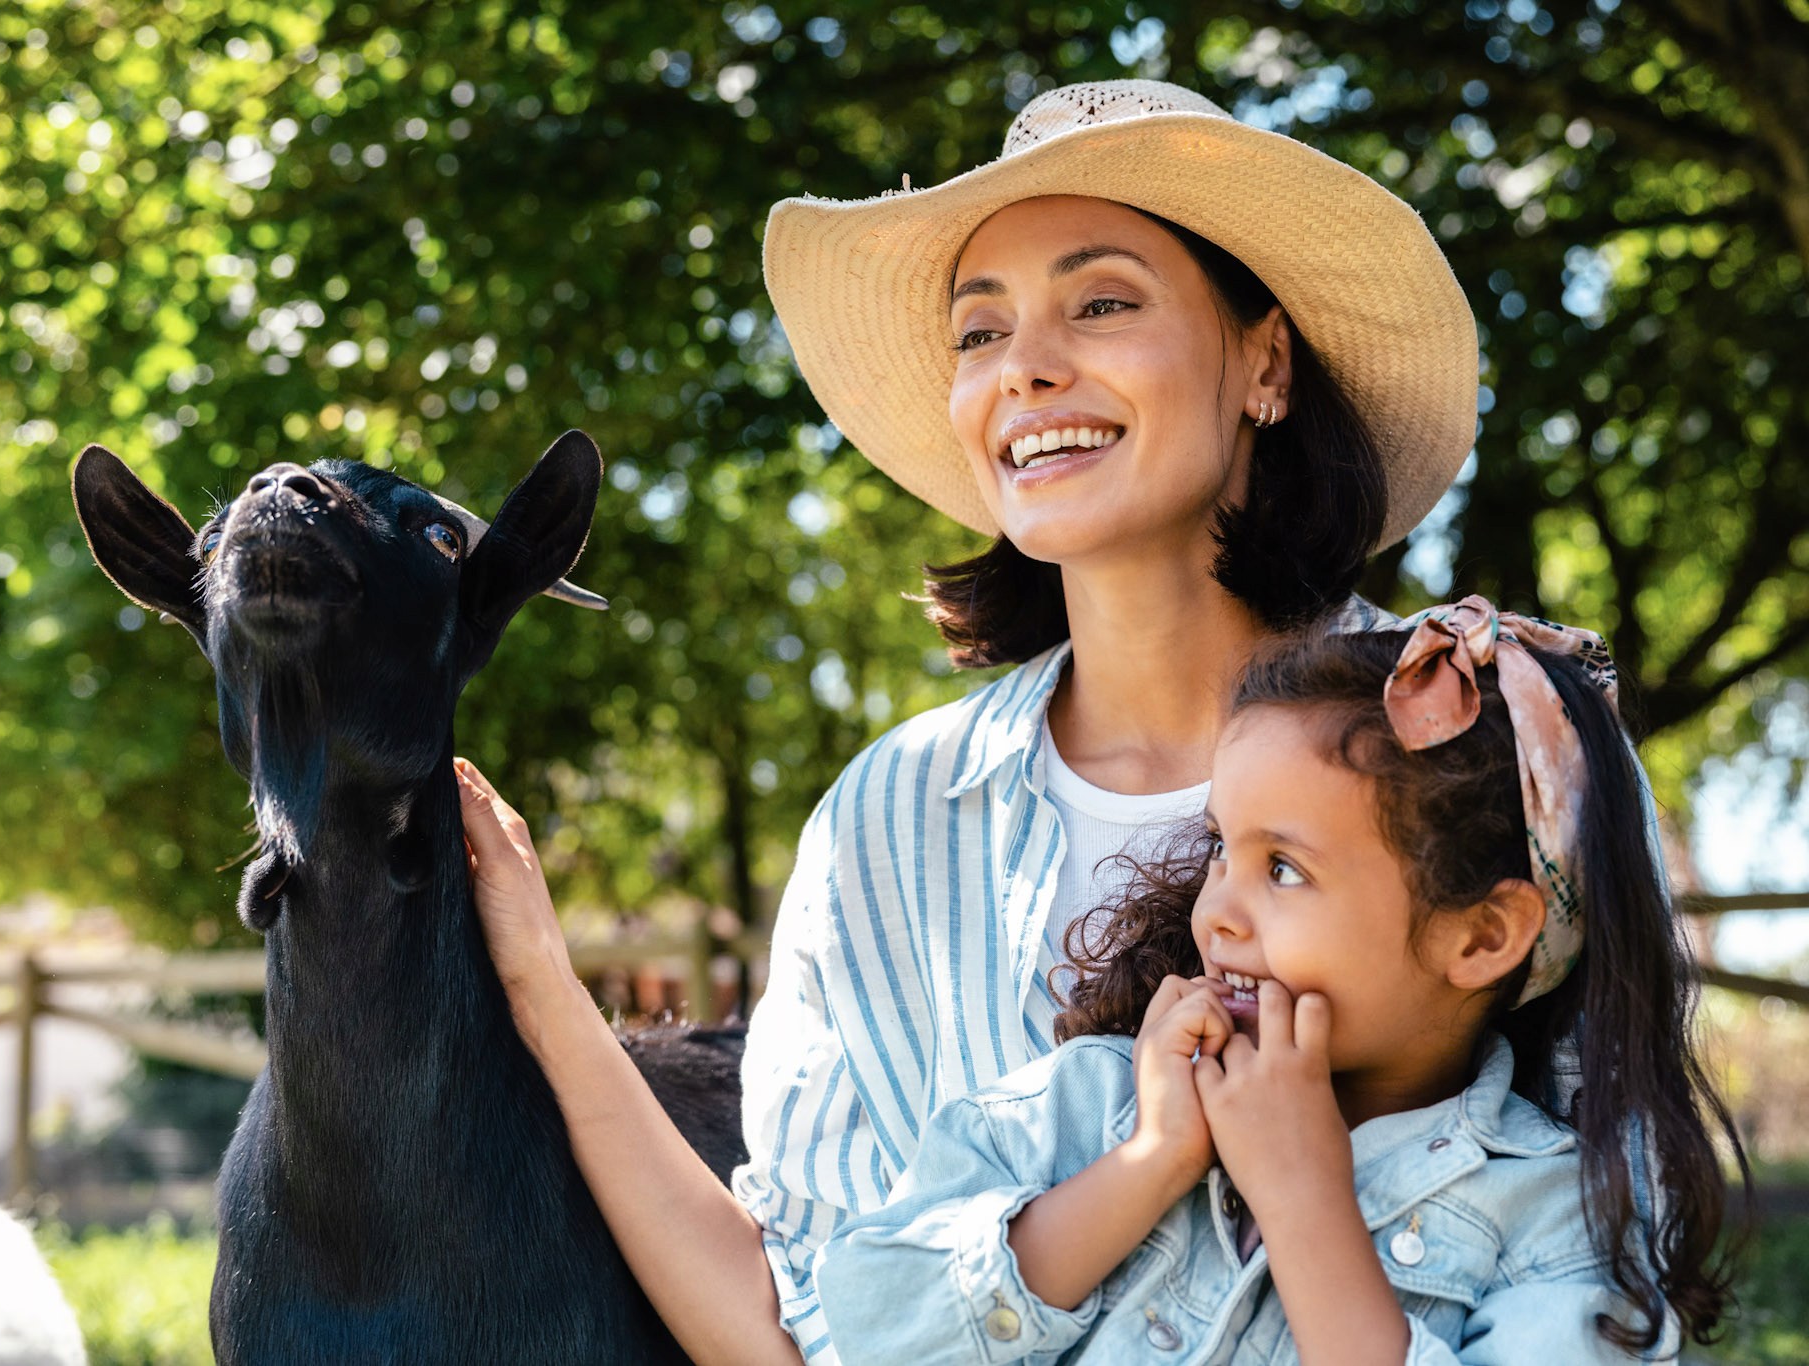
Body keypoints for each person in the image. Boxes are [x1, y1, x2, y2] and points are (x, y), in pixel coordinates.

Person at [453, 79, 1484, 1363]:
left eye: (1101, 301)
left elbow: (1613, 1224)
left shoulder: (1464, 740)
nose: (1025, 369)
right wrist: (545, 991)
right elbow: (797, 1323)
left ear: (1262, 362)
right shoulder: (883, 825)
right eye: (977, 331)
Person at [812, 611, 1744, 1364]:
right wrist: (1152, 1163)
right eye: (1222, 846)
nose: (1215, 911)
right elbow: (874, 1322)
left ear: (1483, 936)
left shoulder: (1552, 1219)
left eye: (1285, 869)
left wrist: (1304, 1200)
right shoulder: (1094, 1102)